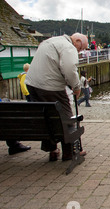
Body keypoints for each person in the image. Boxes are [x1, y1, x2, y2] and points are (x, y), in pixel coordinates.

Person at [25, 33, 88, 161]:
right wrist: (76, 87)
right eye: (81, 49)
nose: (80, 51)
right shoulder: (68, 47)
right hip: (50, 87)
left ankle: (52, 149)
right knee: (66, 117)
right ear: (76, 41)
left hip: (32, 85)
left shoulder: (50, 41)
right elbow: (70, 69)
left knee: (46, 117)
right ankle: (69, 152)